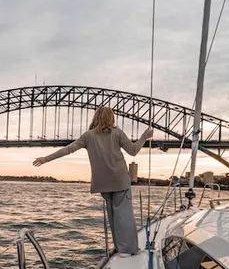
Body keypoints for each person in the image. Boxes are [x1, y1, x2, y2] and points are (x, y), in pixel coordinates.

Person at [33, 107, 153, 257]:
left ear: (96, 117)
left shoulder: (88, 136)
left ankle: (120, 248)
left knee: (113, 217)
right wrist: (144, 136)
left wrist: (45, 159)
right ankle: (128, 250)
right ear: (111, 118)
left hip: (102, 183)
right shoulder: (117, 133)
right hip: (120, 180)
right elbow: (133, 150)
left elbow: (68, 149)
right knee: (124, 217)